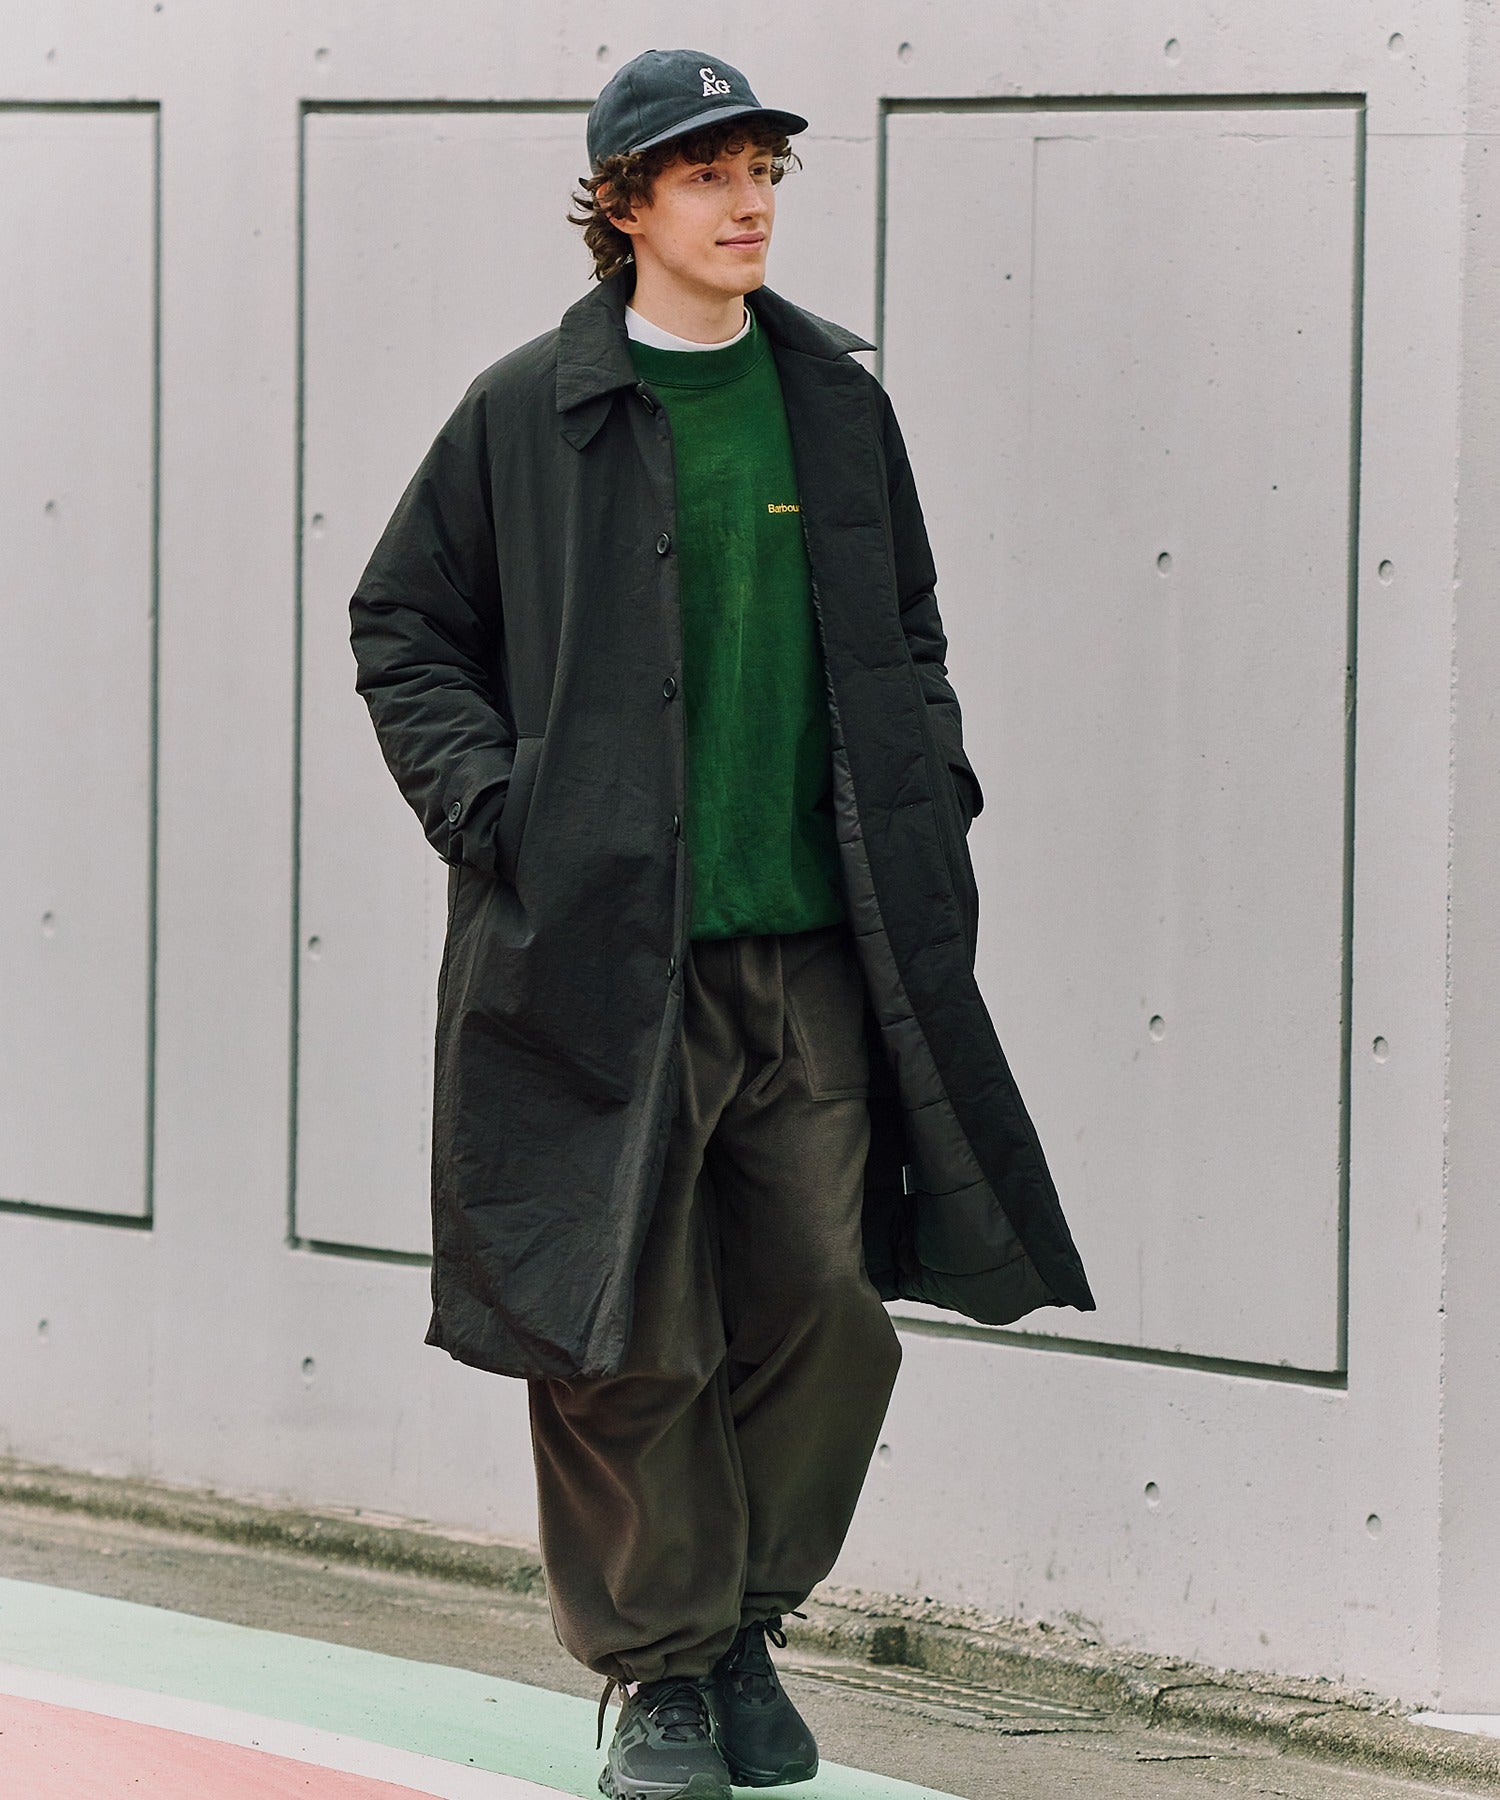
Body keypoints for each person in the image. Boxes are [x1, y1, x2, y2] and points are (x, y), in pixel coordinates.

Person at [348, 45, 1095, 1800]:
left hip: (818, 949)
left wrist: (929, 782)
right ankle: (666, 1674)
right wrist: (501, 816)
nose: (750, 201)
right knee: (627, 1326)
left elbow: (908, 628)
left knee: (827, 1304)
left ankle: (741, 1618)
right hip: (599, 956)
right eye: (708, 174)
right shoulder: (528, 412)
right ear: (624, 204)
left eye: (764, 170)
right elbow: (404, 627)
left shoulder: (832, 402)